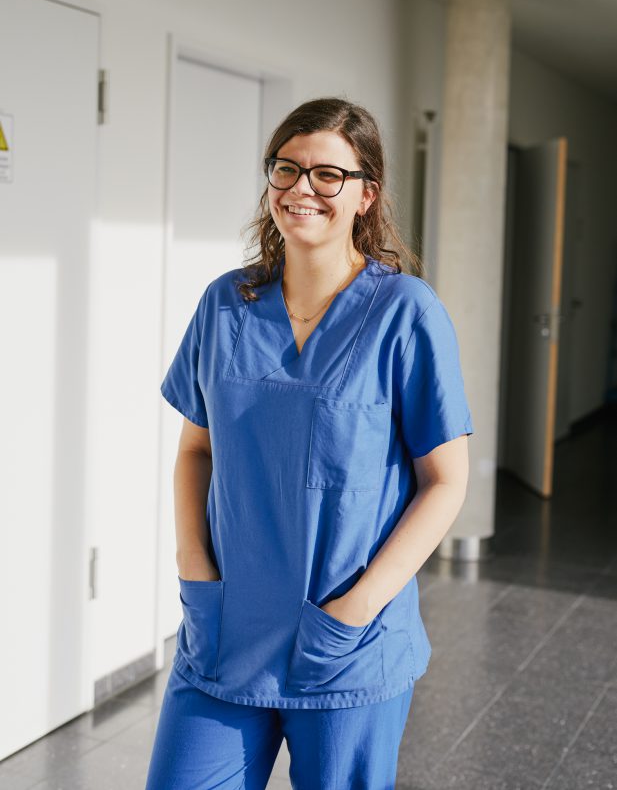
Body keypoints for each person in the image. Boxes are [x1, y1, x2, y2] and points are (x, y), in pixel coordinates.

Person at [145, 96, 474, 789]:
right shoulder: (225, 303)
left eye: (327, 174)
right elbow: (196, 449)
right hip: (227, 628)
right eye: (286, 168)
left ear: (365, 195)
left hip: (345, 642)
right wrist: (192, 566)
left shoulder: (405, 312)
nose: (301, 188)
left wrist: (355, 611)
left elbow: (445, 480)